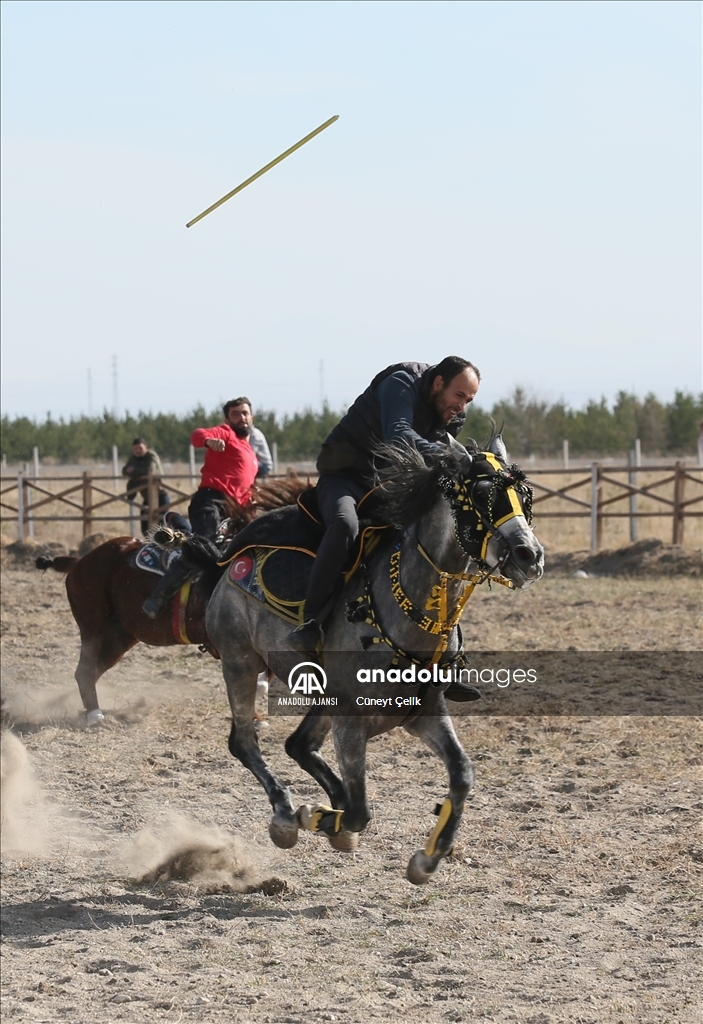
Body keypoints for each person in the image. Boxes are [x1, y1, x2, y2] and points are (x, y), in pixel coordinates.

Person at [288, 357, 481, 656]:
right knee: (344, 525)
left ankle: (447, 648)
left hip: (389, 488)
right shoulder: (401, 382)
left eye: (469, 399)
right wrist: (449, 455)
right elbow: (399, 434)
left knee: (431, 543)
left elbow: (431, 466)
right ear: (438, 383)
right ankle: (311, 623)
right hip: (345, 478)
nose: (462, 406)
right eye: (459, 395)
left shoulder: (452, 416)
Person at [142, 399, 259, 619]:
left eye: (245, 413)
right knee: (205, 545)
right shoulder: (225, 433)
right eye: (236, 414)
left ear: (251, 417)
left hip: (236, 510)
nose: (241, 417)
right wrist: (209, 441)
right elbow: (197, 435)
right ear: (227, 419)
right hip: (211, 501)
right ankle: (159, 596)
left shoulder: (250, 450)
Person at [122, 437, 170, 536]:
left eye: (140, 448)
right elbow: (124, 470)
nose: (138, 451)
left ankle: (165, 548)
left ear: (146, 447)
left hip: (160, 495)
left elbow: (149, 470)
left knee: (162, 525)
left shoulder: (151, 455)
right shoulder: (133, 458)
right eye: (135, 448)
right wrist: (133, 471)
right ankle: (149, 547)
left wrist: (133, 471)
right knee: (145, 525)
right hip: (147, 497)